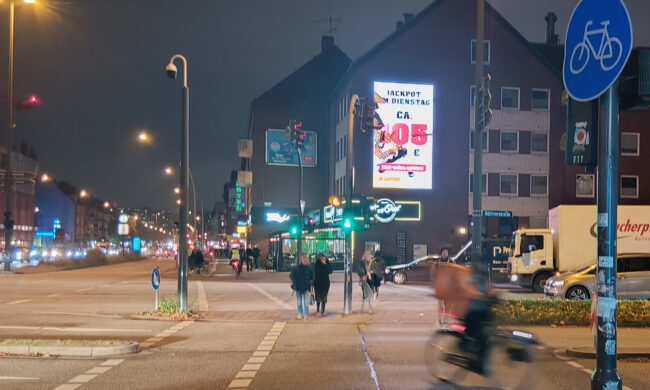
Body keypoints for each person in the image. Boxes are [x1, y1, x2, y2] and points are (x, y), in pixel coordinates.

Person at [290, 253, 314, 320]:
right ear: (301, 260)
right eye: (304, 259)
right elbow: (292, 276)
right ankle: (300, 313)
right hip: (298, 287)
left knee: (306, 303)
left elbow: (313, 277)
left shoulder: (310, 268)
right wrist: (295, 282)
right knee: (299, 302)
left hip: (306, 287)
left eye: (306, 259)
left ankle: (305, 314)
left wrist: (310, 282)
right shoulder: (296, 268)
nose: (305, 260)